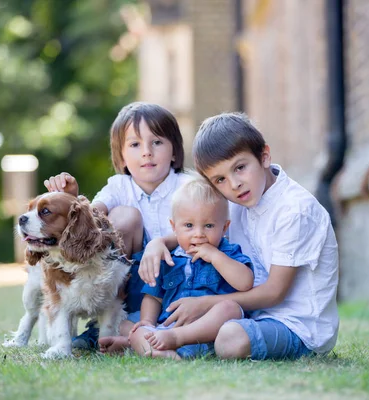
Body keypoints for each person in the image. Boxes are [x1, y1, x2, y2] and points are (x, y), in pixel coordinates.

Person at [139, 112, 339, 360]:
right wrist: (159, 243)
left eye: (240, 168)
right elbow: (200, 230)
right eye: (220, 179)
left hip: (297, 326)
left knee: (230, 338)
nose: (234, 184)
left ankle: (180, 341)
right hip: (247, 315)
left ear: (264, 156)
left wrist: (205, 304)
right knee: (142, 323)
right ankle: (158, 346)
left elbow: (274, 293)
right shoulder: (236, 202)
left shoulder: (294, 211)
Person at [44, 101, 190, 352]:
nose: (147, 152)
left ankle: (135, 335)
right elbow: (90, 218)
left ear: (174, 151)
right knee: (123, 217)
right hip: (132, 287)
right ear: (121, 156)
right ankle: (110, 324)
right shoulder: (119, 187)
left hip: (182, 283)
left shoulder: (188, 187)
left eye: (157, 142)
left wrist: (163, 243)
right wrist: (72, 197)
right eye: (135, 144)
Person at [128, 177, 253, 359]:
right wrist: (148, 321)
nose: (199, 234)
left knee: (230, 308)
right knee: (137, 329)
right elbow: (152, 297)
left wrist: (215, 256)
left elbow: (245, 282)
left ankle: (171, 342)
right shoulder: (168, 258)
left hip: (212, 332)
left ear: (224, 227)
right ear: (174, 227)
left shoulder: (228, 253)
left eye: (209, 226)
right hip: (167, 330)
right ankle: (162, 354)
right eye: (189, 225)